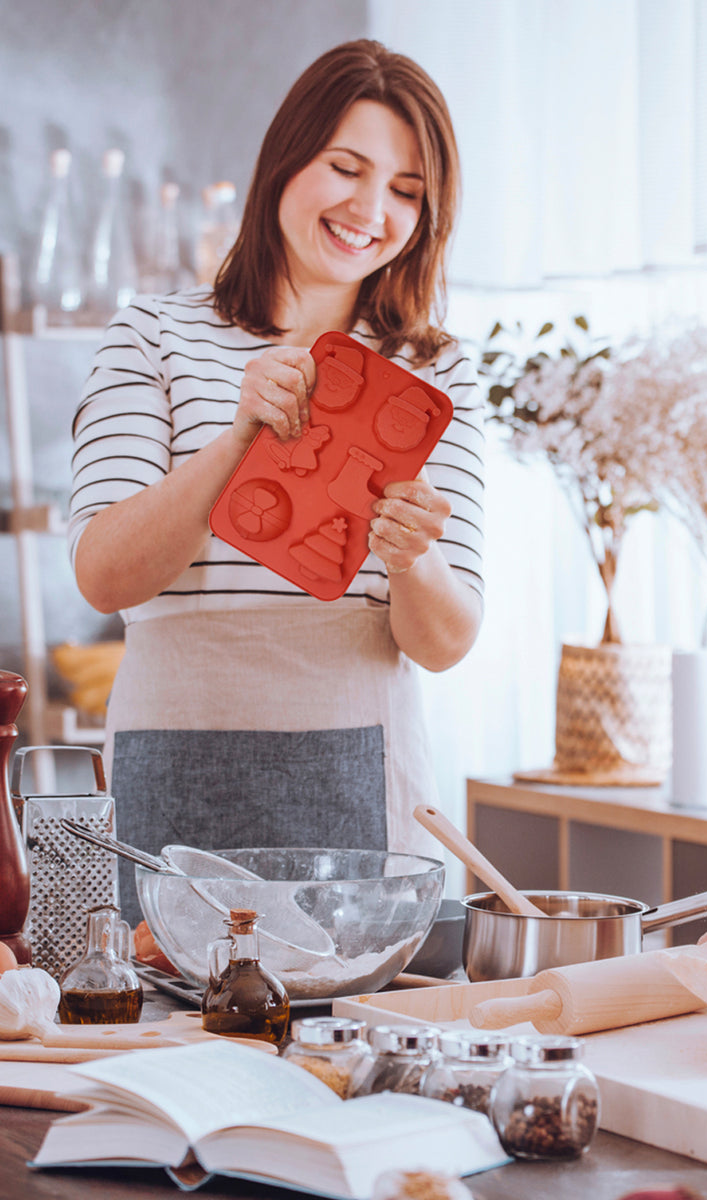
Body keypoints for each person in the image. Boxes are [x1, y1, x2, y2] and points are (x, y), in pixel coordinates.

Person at [68, 40, 484, 918]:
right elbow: (105, 575)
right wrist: (239, 441)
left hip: (363, 779)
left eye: (408, 192)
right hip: (171, 768)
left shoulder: (433, 378)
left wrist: (411, 557)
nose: (371, 209)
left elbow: (446, 642)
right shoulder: (151, 336)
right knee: (169, 1034)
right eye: (347, 167)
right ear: (286, 158)